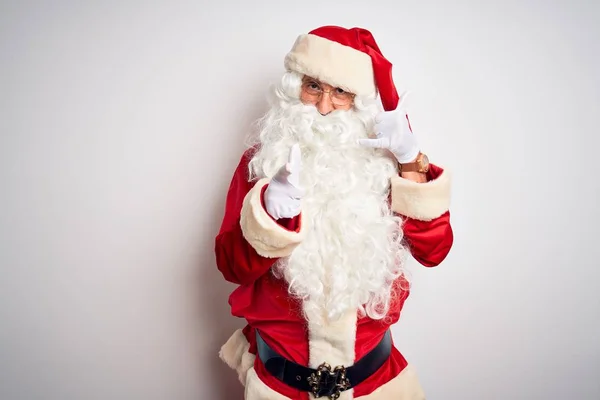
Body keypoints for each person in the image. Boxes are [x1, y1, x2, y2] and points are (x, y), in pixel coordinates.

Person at [215, 25, 453, 400]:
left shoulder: (386, 164)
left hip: (376, 386)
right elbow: (232, 268)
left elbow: (434, 252)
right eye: (314, 87)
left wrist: (411, 162)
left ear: (358, 99)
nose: (324, 107)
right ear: (295, 88)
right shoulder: (261, 162)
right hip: (280, 387)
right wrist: (271, 216)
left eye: (340, 91)